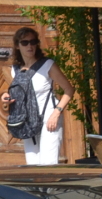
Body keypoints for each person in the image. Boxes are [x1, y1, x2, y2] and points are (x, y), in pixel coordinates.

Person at [0, 26, 74, 166]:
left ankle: (51, 188)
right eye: (25, 42)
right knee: (32, 165)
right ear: (17, 46)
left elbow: (69, 90)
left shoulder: (47, 65)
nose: (30, 46)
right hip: (27, 121)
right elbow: (21, 93)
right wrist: (6, 97)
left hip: (49, 119)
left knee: (48, 164)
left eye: (33, 42)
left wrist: (56, 113)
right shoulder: (15, 70)